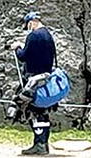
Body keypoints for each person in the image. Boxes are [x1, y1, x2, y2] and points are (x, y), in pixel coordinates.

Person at [11, 11, 58, 156]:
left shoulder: (33, 36)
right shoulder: (48, 35)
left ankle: (39, 145)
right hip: (46, 79)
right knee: (43, 112)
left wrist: (17, 48)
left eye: (28, 25)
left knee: (32, 110)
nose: (28, 28)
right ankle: (43, 143)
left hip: (32, 80)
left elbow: (24, 57)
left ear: (31, 22)